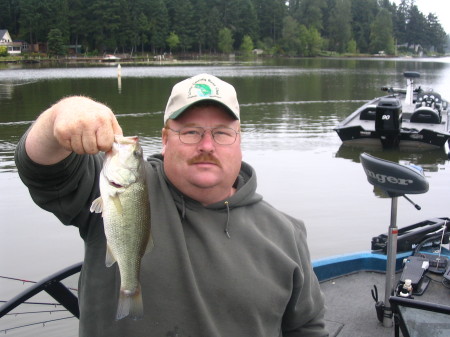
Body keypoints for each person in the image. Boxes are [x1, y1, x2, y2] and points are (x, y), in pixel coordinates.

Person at [15, 73, 328, 336]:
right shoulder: (127, 183)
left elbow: (307, 327)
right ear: (165, 139)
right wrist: (62, 115)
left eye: (221, 133)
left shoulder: (286, 233)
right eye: (190, 132)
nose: (207, 145)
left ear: (239, 139)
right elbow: (41, 168)